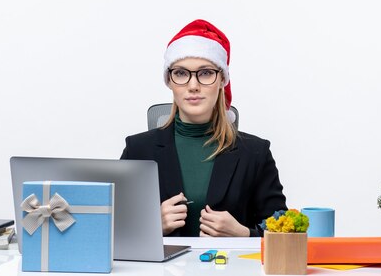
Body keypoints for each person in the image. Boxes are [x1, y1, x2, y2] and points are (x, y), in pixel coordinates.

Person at [121, 19, 287, 237]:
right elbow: (113, 229)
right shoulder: (138, 150)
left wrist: (244, 234)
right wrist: (151, 225)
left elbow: (284, 231)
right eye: (181, 73)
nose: (193, 85)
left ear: (221, 81)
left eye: (206, 73)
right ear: (169, 82)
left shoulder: (255, 153)